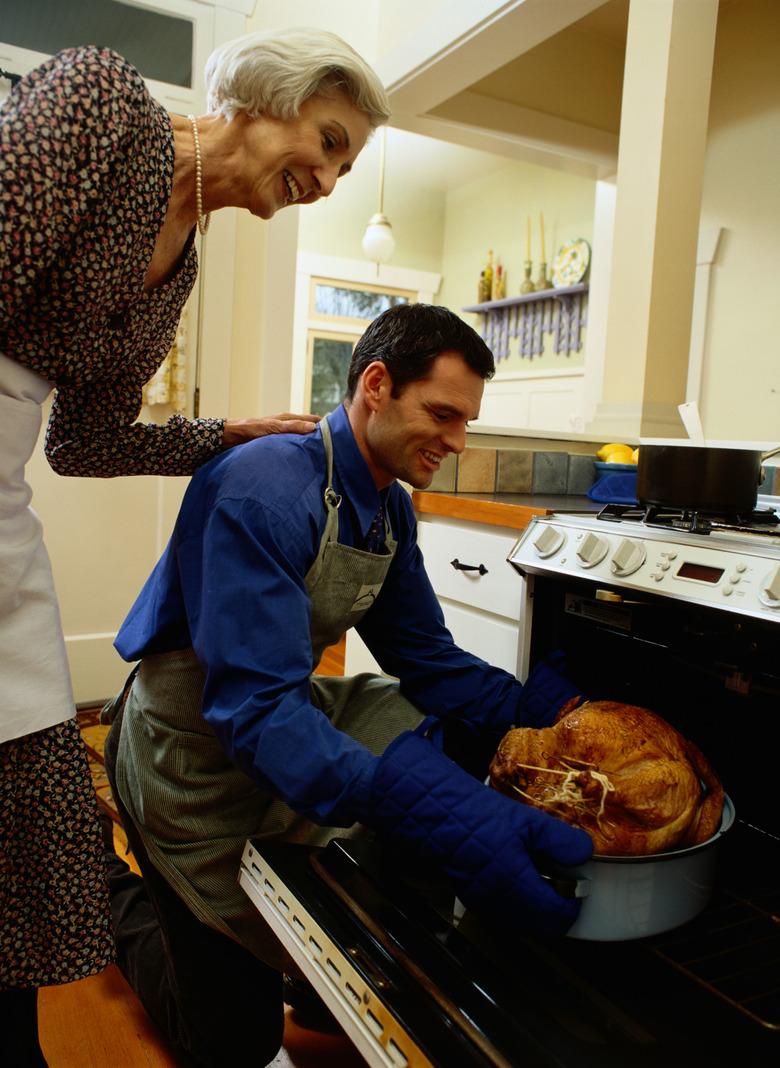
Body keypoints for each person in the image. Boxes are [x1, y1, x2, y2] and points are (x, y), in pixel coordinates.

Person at [0, 26, 389, 1065]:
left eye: (346, 167)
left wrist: (226, 434)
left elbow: (80, 445)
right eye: (330, 140)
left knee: (36, 839)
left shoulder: (182, 262)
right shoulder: (102, 104)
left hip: (5, 514)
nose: (330, 179)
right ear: (268, 96)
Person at [102, 303, 593, 1066]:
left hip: (277, 719)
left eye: (467, 422)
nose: (458, 442)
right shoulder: (262, 493)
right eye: (442, 414)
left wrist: (554, 715)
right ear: (375, 385)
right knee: (231, 1041)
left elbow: (428, 660)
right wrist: (439, 813)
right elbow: (255, 711)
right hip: (188, 751)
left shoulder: (389, 508)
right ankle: (117, 895)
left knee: (430, 725)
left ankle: (320, 944)